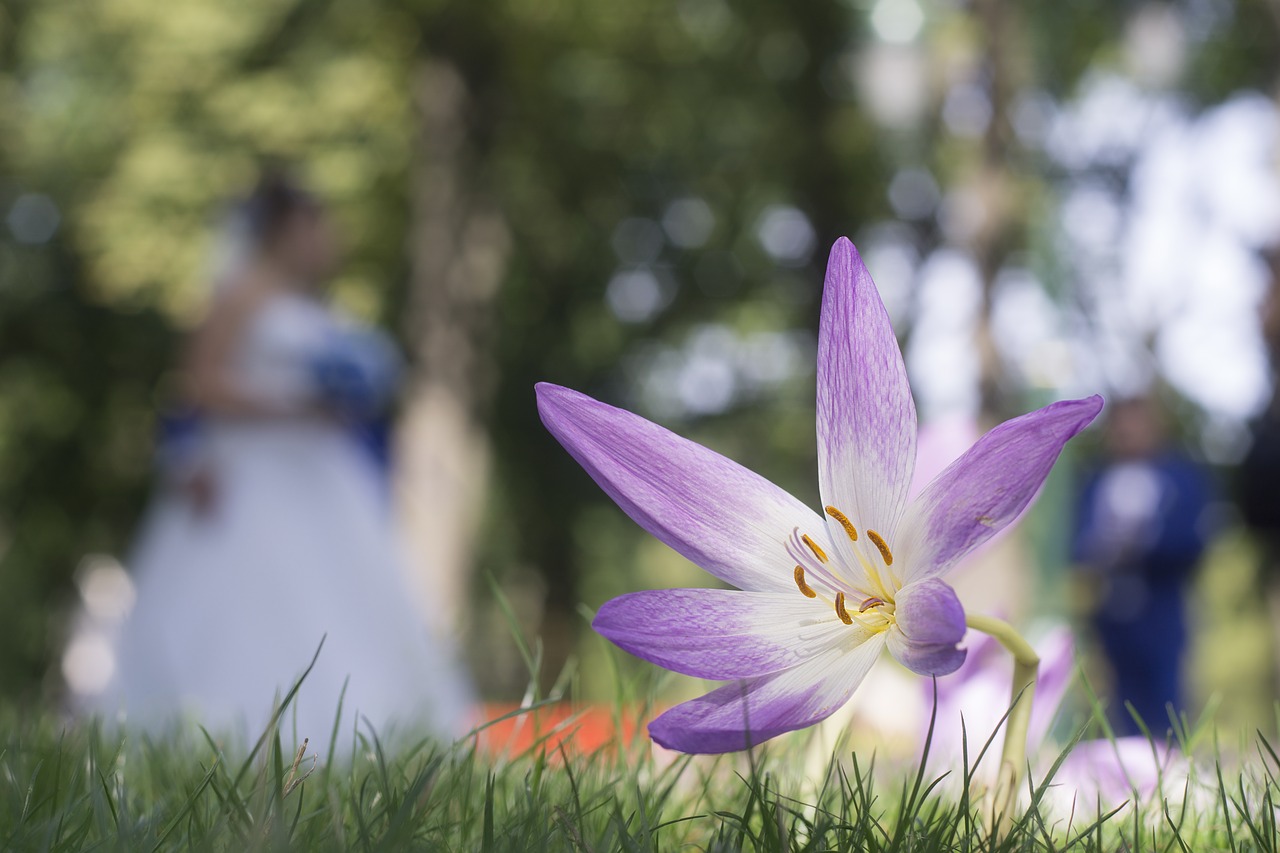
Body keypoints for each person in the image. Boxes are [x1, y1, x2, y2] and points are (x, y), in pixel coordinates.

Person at [71, 173, 474, 748]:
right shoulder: (237, 294)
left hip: (322, 473)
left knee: (339, 595)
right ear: (286, 229)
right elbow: (198, 384)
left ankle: (351, 730)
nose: (329, 240)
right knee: (249, 595)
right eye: (319, 226)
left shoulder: (311, 306)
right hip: (252, 470)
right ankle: (221, 727)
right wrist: (291, 406)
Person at [1071, 396, 1214, 735]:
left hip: (1162, 607)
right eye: (1120, 425)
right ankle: (1125, 771)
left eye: (1135, 423)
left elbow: (1195, 539)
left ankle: (1170, 773)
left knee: (1166, 699)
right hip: (1110, 611)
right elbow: (1077, 540)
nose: (1127, 432)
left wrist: (1143, 547)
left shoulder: (1181, 477)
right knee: (1118, 699)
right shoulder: (1095, 481)